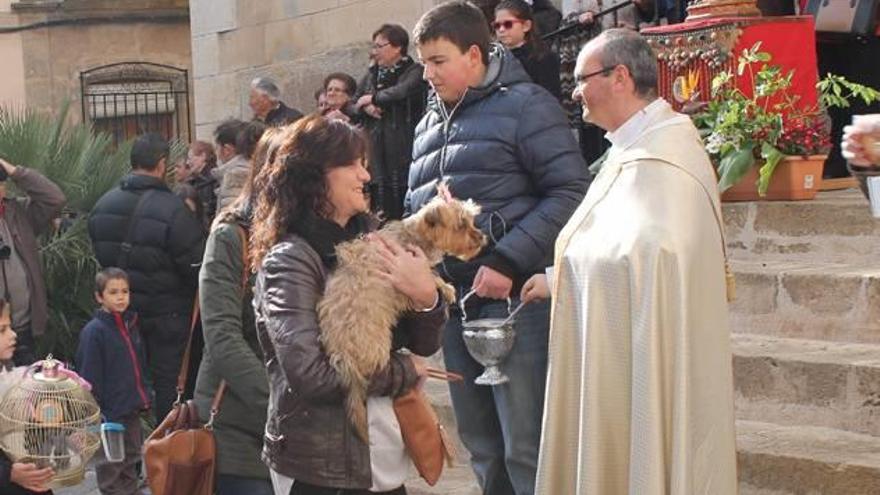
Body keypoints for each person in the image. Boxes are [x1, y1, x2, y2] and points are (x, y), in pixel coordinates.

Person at [524, 29, 737, 494]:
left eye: (583, 78)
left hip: (648, 343)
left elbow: (657, 255)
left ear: (619, 77)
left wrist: (567, 275)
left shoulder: (666, 155)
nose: (575, 90)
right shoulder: (628, 149)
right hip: (617, 333)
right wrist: (556, 276)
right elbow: (611, 244)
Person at [407, 3, 589, 494]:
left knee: (525, 448)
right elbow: (414, 205)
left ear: (473, 54)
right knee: (482, 448)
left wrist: (508, 260)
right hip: (453, 303)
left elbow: (571, 192)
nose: (428, 74)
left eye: (438, 61)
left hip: (515, 304)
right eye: (423, 62)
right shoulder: (426, 124)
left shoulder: (528, 105)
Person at [250, 115, 446, 495]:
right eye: (352, 165)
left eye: (365, 164)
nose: (365, 177)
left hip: (381, 457)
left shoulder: (375, 240)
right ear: (315, 176)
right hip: (321, 470)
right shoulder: (290, 260)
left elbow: (423, 343)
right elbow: (312, 375)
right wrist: (405, 369)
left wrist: (426, 299)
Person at [88, 133, 205, 422]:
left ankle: (128, 452)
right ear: (162, 164)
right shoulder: (174, 209)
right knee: (167, 385)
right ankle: (162, 454)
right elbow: (197, 265)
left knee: (123, 383)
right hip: (167, 318)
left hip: (121, 315)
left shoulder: (103, 205)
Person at [193, 128, 284, 495]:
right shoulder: (232, 236)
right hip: (236, 424)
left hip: (295, 434)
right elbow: (222, 337)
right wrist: (285, 404)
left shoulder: (312, 241)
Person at [75, 268, 149, 495]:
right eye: (113, 292)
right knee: (111, 469)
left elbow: (139, 364)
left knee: (131, 463)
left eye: (125, 291)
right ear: (99, 297)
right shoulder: (95, 332)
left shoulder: (130, 325)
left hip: (131, 409)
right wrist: (96, 414)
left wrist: (144, 394)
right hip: (109, 415)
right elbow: (89, 377)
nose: (120, 297)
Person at [355, 24, 428, 220]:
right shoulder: (372, 75)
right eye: (374, 46)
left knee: (403, 198)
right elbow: (351, 104)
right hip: (377, 148)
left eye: (379, 46)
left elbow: (402, 91)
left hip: (403, 145)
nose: (374, 52)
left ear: (397, 47)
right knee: (381, 202)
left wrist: (373, 98)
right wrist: (366, 107)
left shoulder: (414, 70)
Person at [0, 158, 65, 366]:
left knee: (23, 396)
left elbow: (55, 199)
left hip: (23, 332)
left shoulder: (18, 212)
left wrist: (13, 170)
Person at [0, 300, 56, 495]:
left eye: (10, 327)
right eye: (2, 330)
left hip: (33, 479)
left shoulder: (18, 369)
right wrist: (8, 474)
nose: (13, 335)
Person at [494, 0, 562, 98]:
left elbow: (551, 97)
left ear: (526, 26)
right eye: (497, 25)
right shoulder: (493, 59)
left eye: (508, 24)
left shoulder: (544, 58)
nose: (501, 29)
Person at [217, 120, 267, 211]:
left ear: (227, 149)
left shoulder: (236, 174)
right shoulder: (257, 169)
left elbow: (231, 218)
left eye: (217, 147)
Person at [179, 140, 218, 230]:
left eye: (190, 158)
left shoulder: (213, 179)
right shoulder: (193, 180)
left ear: (203, 156)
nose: (188, 163)